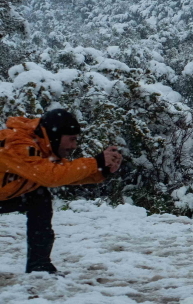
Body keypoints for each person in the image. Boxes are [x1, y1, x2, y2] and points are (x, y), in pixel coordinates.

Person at [0, 109, 123, 273]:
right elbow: (51, 176)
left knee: (38, 197)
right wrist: (96, 161)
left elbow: (62, 172)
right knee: (39, 192)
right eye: (71, 139)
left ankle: (40, 267)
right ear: (56, 135)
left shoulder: (41, 143)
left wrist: (101, 170)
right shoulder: (17, 143)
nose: (74, 145)